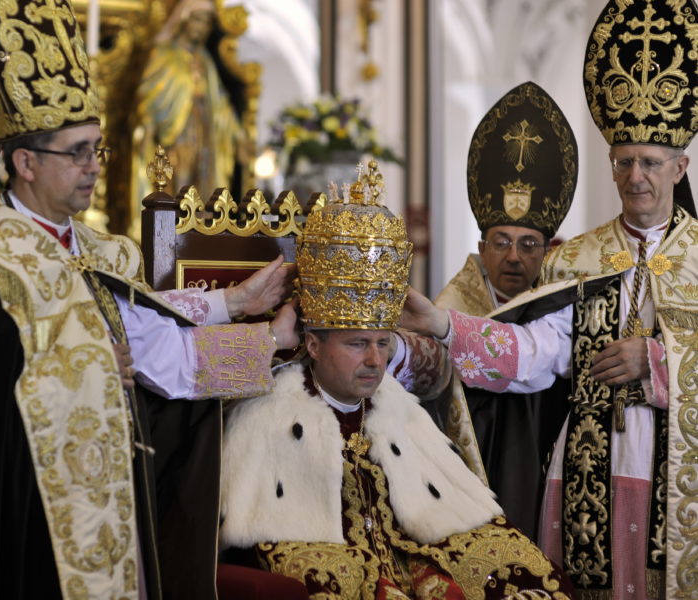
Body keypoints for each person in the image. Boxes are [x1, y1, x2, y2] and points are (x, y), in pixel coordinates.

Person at [0, 1, 297, 598]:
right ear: (24, 162)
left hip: (113, 513)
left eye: (96, 149)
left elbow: (169, 361)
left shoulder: (109, 254)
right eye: (76, 152)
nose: (94, 167)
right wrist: (97, 370)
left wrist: (268, 341)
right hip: (22, 527)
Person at [399, 2, 698, 597]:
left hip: (681, 475)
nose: (636, 175)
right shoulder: (573, 260)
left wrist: (660, 362)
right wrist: (440, 323)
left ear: (679, 165)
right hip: (590, 471)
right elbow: (532, 354)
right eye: (623, 161)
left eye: (650, 162)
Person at [220, 164, 574, 598]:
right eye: (356, 344)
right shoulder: (267, 414)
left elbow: (441, 369)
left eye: (382, 342)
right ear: (312, 344)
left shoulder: (396, 403)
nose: (374, 361)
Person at [433, 81, 577, 539]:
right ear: (482, 247)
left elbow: (539, 360)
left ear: (546, 251)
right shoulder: (450, 307)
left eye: (528, 244)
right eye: (502, 242)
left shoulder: (560, 306)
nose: (514, 257)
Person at [132, 0, 242, 210]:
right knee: (178, 177)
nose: (201, 27)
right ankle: (176, 224)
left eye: (207, 23)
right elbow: (149, 92)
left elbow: (221, 102)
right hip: (176, 131)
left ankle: (199, 226)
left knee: (203, 179)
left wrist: (239, 134)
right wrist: (148, 123)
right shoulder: (164, 53)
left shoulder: (204, 59)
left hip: (204, 128)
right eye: (197, 20)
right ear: (184, 19)